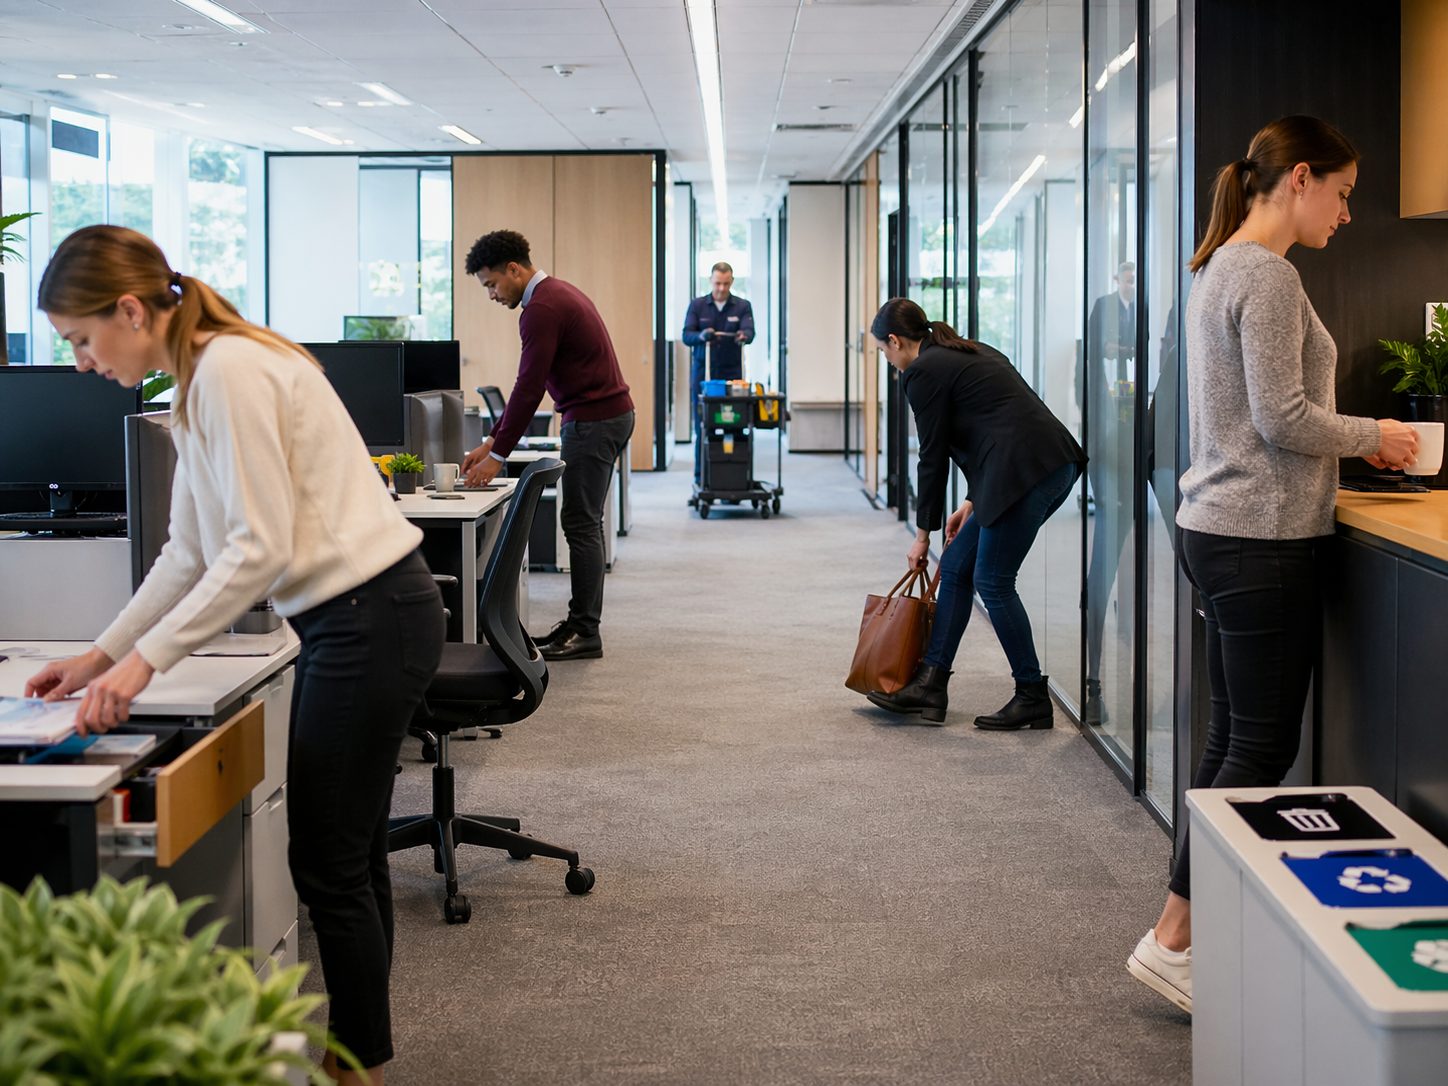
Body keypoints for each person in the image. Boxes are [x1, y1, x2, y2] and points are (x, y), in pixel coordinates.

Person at [25, 224, 444, 1084]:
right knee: (350, 857)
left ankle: (353, 1064)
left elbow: (254, 550)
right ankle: (361, 1059)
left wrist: (146, 667)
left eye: (78, 338)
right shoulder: (198, 378)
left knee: (327, 865)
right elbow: (188, 549)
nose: (77, 362)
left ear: (130, 310)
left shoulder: (230, 371)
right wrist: (99, 657)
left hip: (369, 618)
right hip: (356, 617)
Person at [1126, 116, 1418, 1014]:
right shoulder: (1267, 274)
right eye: (1342, 193)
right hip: (1259, 538)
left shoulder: (1216, 267)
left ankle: (1188, 935)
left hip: (1221, 528)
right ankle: (1174, 940)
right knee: (1258, 743)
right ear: (1300, 178)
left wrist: (1356, 447)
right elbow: (1284, 419)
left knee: (1230, 739)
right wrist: (1381, 436)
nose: (1345, 213)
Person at [864, 299, 1087, 729]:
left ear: (895, 341)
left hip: (1028, 473)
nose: (889, 362)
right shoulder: (967, 350)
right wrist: (971, 501)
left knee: (993, 580)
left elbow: (931, 457)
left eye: (883, 352)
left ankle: (1031, 695)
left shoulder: (923, 372)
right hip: (1040, 464)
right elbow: (997, 424)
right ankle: (931, 682)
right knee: (958, 565)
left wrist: (921, 534)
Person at [460, 229, 634, 661]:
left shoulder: (540, 309)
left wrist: (499, 454)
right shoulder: (556, 294)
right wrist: (492, 441)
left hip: (594, 421)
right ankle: (580, 624)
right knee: (584, 522)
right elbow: (527, 387)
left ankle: (585, 632)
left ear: (513, 270)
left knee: (579, 524)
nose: (492, 295)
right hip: (602, 416)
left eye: (492, 284)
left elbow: (529, 386)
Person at [1080, 261, 1138, 727]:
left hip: (1136, 416)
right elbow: (1092, 357)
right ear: (1116, 279)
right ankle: (1091, 677)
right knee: (1107, 543)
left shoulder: (1141, 309)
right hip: (1107, 424)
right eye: (1125, 278)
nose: (1130, 285)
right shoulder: (1103, 307)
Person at [682, 262, 755, 481]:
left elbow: (751, 332)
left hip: (732, 376)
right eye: (717, 283)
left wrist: (745, 335)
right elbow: (687, 335)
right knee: (704, 428)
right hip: (704, 376)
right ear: (710, 281)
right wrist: (702, 336)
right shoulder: (697, 306)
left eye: (725, 283)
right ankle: (702, 479)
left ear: (732, 281)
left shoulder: (742, 306)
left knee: (733, 425)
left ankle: (731, 478)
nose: (721, 288)